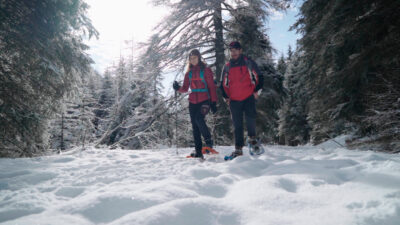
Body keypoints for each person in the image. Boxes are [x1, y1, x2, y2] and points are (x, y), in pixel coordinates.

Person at [220, 41, 264, 159]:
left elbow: (259, 76)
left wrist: (257, 91)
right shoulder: (227, 66)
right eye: (231, 50)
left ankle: (253, 140)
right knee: (237, 125)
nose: (233, 52)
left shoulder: (248, 62)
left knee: (251, 119)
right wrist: (226, 97)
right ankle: (238, 149)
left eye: (235, 50)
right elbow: (223, 84)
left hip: (248, 96)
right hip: (234, 100)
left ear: (240, 50)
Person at [173, 49, 218, 159]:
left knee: (199, 119)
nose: (193, 60)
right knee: (195, 126)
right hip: (192, 102)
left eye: (194, 58)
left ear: (199, 58)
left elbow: (212, 86)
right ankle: (198, 151)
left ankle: (208, 141)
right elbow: (185, 88)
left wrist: (213, 102)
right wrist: (177, 88)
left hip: (205, 100)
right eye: (191, 59)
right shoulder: (189, 73)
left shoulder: (206, 70)